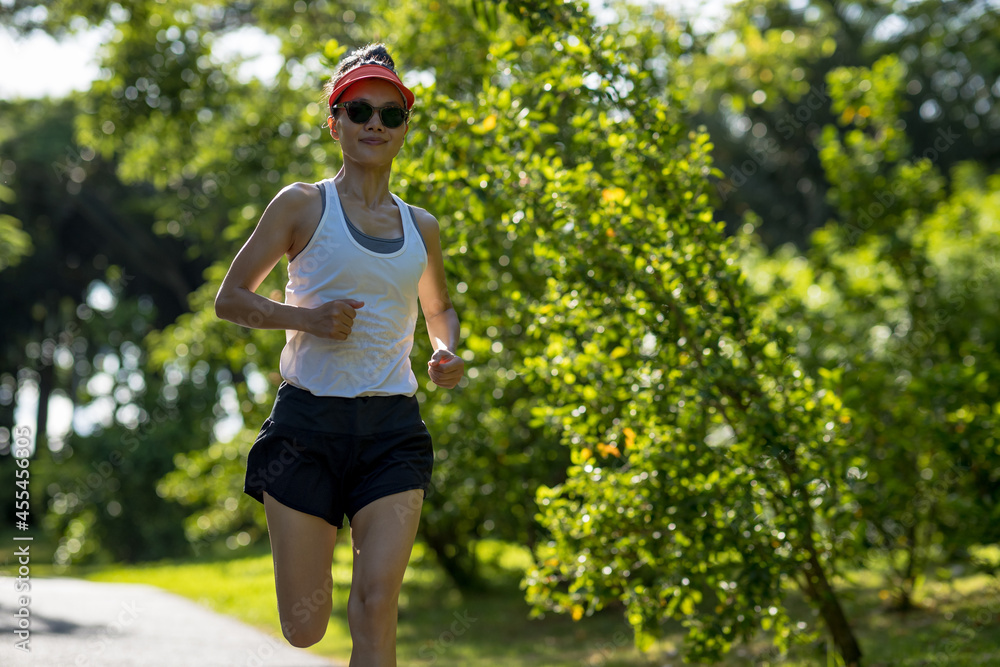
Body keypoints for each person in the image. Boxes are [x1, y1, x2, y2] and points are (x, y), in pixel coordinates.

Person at [214, 42, 464, 665]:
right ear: (335, 123)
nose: (375, 123)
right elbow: (230, 300)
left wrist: (445, 351)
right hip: (306, 429)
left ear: (404, 126)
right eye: (359, 111)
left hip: (392, 432)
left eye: (390, 114)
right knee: (305, 628)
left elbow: (440, 310)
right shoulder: (302, 205)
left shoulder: (422, 226)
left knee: (377, 604)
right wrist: (307, 319)